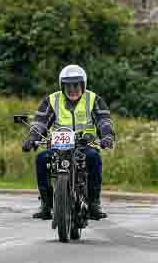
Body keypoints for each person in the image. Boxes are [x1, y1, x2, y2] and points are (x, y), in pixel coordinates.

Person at [22, 64, 115, 221]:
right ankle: (46, 204)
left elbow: (104, 121)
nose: (72, 89)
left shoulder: (93, 100)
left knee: (94, 158)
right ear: (62, 85)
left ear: (83, 85)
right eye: (68, 85)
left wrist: (107, 136)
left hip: (84, 145)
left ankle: (94, 204)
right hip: (58, 146)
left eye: (76, 85)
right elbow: (40, 122)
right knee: (41, 159)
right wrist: (32, 138)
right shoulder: (52, 100)